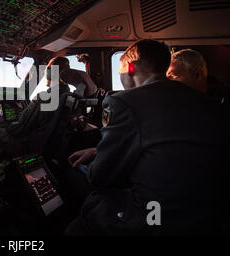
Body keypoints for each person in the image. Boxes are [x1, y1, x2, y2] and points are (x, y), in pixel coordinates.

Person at [66, 39, 230, 235]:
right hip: (208, 215)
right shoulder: (209, 104)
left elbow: (101, 177)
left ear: (130, 67)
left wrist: (95, 163)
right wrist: (96, 151)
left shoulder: (123, 102)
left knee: (82, 198)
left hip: (158, 218)